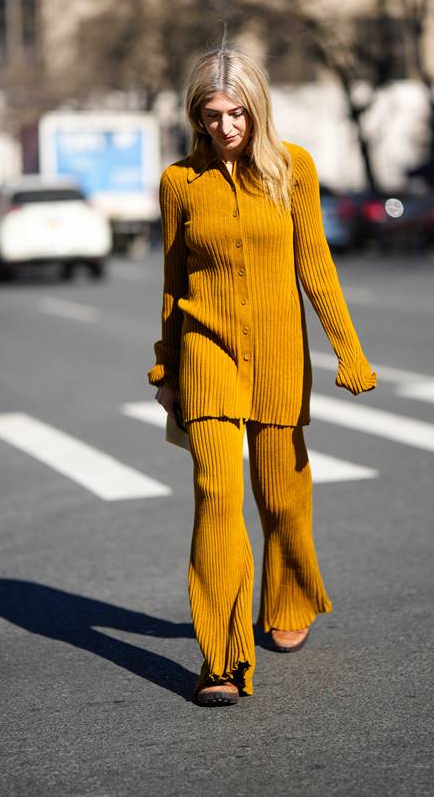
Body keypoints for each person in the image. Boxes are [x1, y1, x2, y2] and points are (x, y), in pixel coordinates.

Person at [149, 46, 377, 706]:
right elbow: (171, 284)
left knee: (282, 500)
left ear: (258, 110)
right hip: (206, 357)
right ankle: (221, 660)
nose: (225, 126)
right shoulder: (179, 183)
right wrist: (166, 367)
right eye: (212, 114)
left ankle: (290, 594)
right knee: (217, 496)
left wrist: (348, 351)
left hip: (278, 357)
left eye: (237, 112)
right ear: (197, 116)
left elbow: (316, 266)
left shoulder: (292, 170)